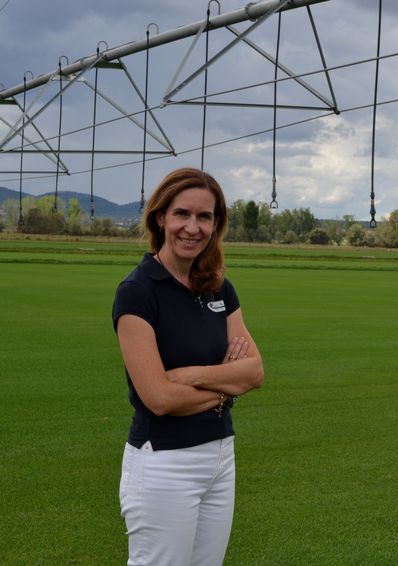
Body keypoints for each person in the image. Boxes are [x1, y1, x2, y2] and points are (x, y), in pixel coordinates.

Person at [112, 167, 264, 565]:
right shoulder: (137, 293)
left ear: (216, 225)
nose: (192, 227)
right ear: (160, 217)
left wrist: (194, 377)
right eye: (182, 214)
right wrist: (228, 388)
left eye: (204, 217)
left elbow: (255, 372)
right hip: (164, 462)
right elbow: (159, 398)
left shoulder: (219, 287)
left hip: (219, 456)